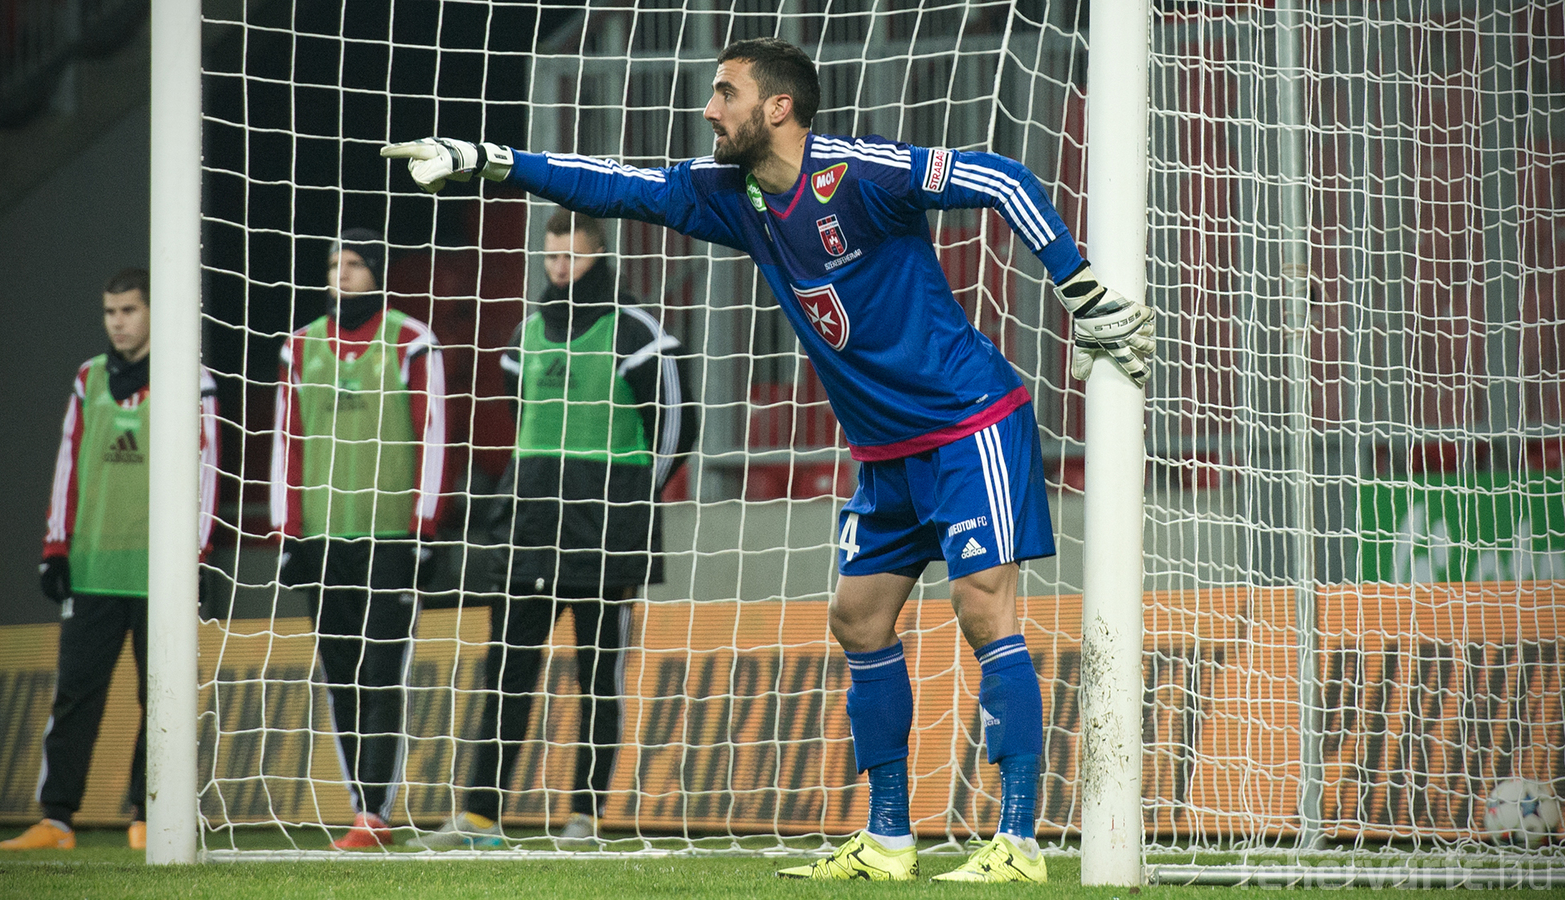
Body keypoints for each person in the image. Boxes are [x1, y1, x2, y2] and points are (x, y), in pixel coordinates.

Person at [383, 36, 1154, 881]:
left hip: (970, 424)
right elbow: (614, 183)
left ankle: (1018, 843)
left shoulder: (859, 172)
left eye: (726, 93)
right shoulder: (731, 196)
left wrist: (1079, 288)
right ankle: (889, 840)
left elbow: (1004, 180)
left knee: (982, 610)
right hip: (886, 450)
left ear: (778, 106)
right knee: (858, 620)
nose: (708, 109)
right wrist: (489, 161)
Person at [410, 209, 697, 851]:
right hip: (530, 530)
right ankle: (479, 816)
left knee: (598, 677)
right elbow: (524, 420)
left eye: (573, 256)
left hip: (606, 536)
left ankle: (585, 816)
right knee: (506, 672)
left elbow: (679, 427)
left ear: (599, 256)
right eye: (552, 257)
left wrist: (630, 502)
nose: (561, 269)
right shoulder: (525, 336)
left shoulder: (640, 334)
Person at [0, 268, 219, 853]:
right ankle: (57, 820)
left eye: (129, 310)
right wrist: (55, 548)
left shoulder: (191, 379)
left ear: (154, 311)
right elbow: (67, 464)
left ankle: (148, 815)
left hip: (161, 575)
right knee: (75, 695)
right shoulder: (88, 377)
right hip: (94, 567)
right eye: (109, 312)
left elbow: (207, 471)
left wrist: (196, 559)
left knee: (162, 699)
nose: (117, 322)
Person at [270, 228, 448, 850]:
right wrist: (288, 534)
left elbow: (433, 435)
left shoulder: (411, 340)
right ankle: (361, 807)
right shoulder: (299, 347)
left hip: (390, 539)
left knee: (380, 674)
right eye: (333, 264)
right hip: (323, 539)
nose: (340, 274)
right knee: (340, 675)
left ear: (376, 271)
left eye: (353, 264)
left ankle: (375, 811)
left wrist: (424, 528)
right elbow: (286, 443)